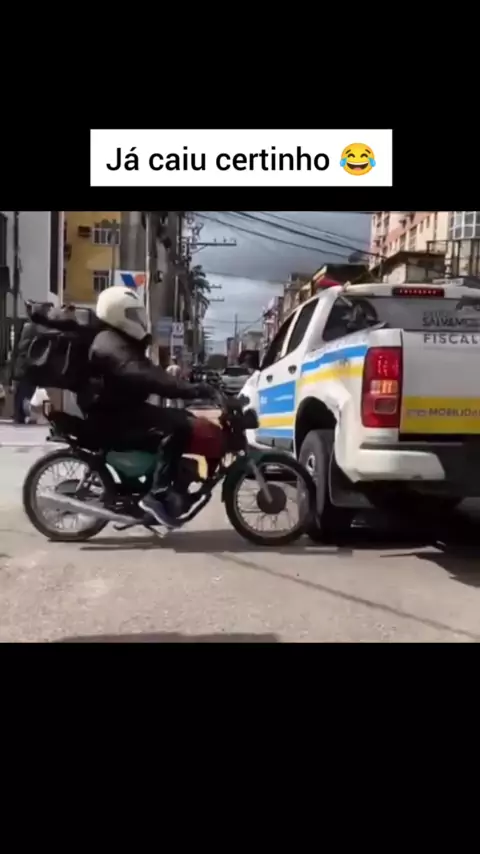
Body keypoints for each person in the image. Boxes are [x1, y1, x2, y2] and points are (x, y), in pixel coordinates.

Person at [81, 286, 218, 529]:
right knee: (177, 428)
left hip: (121, 410)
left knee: (182, 418)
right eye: (132, 315)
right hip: (113, 417)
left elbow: (148, 373)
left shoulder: (116, 341)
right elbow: (146, 376)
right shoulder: (110, 344)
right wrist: (193, 390)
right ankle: (157, 494)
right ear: (116, 313)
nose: (138, 321)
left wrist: (187, 388)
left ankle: (161, 482)